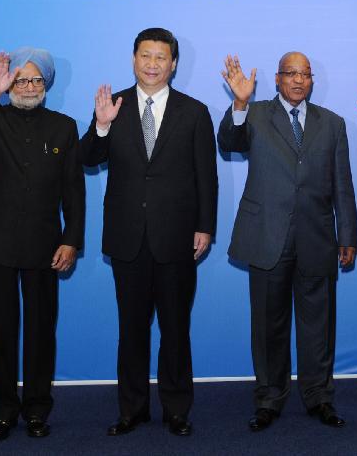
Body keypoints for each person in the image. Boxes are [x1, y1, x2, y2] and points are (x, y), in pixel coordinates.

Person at [80, 28, 217, 437]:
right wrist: (102, 127)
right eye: (146, 56)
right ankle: (132, 409)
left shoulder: (194, 111)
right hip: (128, 238)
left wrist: (205, 226)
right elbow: (88, 158)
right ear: (133, 59)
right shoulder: (114, 106)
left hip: (177, 238)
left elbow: (206, 177)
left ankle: (177, 409)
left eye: (161, 57)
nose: (153, 64)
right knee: (131, 330)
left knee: (175, 329)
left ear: (174, 63)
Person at [218, 51, 357, 431]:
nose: (298, 80)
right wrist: (240, 102)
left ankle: (319, 398)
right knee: (268, 326)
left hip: (317, 239)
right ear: (277, 79)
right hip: (267, 237)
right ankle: (269, 399)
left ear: (312, 81)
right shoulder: (257, 114)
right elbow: (229, 141)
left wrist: (347, 234)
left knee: (318, 327)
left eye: (305, 74)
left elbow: (342, 185)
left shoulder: (332, 124)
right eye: (290, 73)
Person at [0, 48, 85, 442]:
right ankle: (2, 411)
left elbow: (74, 193)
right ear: (10, 83)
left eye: (36, 80)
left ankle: (36, 410)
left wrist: (71, 240)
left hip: (44, 244)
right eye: (21, 80)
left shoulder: (64, 127)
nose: (28, 87)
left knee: (40, 330)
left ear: (46, 86)